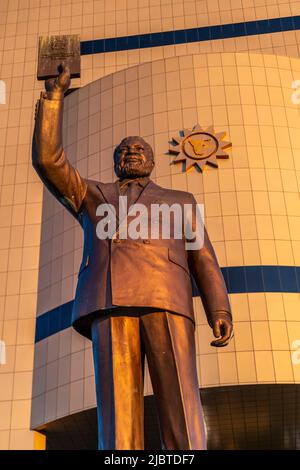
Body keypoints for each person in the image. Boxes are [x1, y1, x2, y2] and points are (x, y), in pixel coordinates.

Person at [32, 64, 233, 450]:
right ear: (116, 162)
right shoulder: (92, 195)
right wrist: (53, 99)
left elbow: (204, 260)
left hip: (168, 302)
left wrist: (219, 311)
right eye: (124, 150)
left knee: (182, 409)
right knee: (118, 421)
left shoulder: (180, 201)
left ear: (152, 161)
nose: (132, 152)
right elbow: (49, 162)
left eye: (139, 149)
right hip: (110, 303)